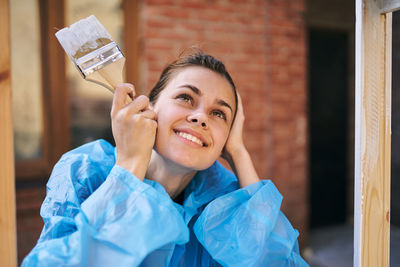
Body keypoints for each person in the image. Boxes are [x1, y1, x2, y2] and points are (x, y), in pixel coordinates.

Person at [22, 50, 309, 266]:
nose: (199, 117)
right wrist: (129, 166)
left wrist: (238, 152)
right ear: (150, 108)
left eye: (219, 114)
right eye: (185, 98)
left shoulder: (224, 200)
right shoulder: (86, 170)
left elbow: (274, 259)